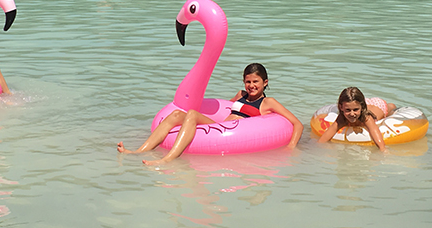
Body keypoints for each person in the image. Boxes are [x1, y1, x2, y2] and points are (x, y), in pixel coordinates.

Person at [117, 63, 304, 165]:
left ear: (265, 82)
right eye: (248, 81)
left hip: (231, 134)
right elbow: (226, 109)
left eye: (255, 82)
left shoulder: (268, 102)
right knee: (175, 115)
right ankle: (136, 151)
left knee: (191, 114)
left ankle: (167, 159)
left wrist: (291, 147)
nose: (251, 86)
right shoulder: (241, 95)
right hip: (218, 127)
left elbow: (297, 124)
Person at [318, 87, 396, 152]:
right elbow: (323, 139)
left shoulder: (366, 118)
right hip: (360, 104)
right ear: (341, 107)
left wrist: (383, 150)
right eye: (348, 110)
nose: (352, 114)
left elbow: (374, 131)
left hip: (378, 105)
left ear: (361, 107)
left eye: (355, 110)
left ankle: (391, 106)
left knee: (390, 108)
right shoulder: (341, 119)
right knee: (354, 105)